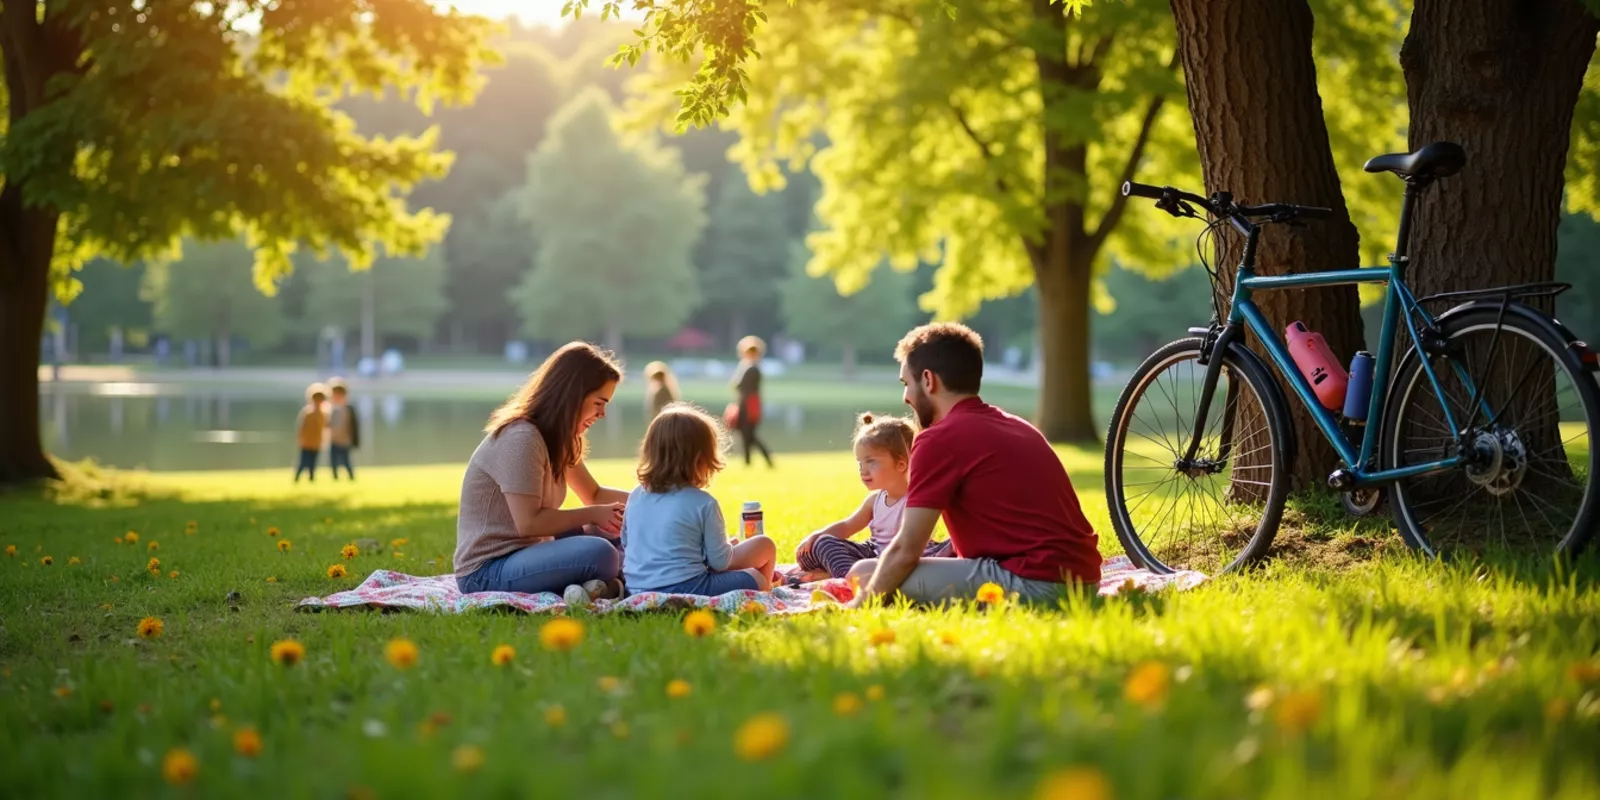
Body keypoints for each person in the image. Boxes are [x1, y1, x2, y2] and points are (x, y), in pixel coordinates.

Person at [843, 322, 1102, 608]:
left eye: (906, 383)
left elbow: (906, 550)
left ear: (928, 380)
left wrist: (858, 607)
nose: (905, 397)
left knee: (864, 575)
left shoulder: (938, 439)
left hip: (1036, 584)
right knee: (878, 572)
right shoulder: (1018, 426)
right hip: (1085, 580)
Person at [452, 342, 631, 606]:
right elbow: (530, 523)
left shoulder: (560, 439)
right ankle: (608, 584)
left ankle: (599, 586)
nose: (602, 414)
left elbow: (593, 494)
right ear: (572, 395)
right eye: (598, 403)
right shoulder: (521, 438)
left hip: (532, 552)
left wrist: (653, 501)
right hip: (488, 570)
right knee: (601, 553)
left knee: (618, 532)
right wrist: (594, 514)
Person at [621, 403, 777, 596]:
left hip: (636, 589)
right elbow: (720, 562)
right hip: (688, 587)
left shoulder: (636, 495)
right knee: (763, 552)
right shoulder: (704, 503)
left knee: (732, 549)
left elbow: (627, 543)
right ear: (700, 460)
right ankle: (765, 592)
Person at [792, 412, 954, 581]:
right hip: (873, 554)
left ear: (901, 464)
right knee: (822, 544)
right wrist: (816, 536)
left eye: (871, 462)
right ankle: (850, 577)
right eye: (860, 463)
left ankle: (851, 578)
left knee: (951, 546)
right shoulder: (874, 501)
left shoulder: (918, 498)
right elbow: (847, 526)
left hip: (914, 554)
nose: (863, 470)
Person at [728, 335, 774, 468]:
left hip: (749, 405)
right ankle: (748, 461)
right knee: (746, 434)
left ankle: (765, 458)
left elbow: (742, 387)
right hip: (746, 404)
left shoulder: (752, 369)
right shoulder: (748, 367)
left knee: (749, 434)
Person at [293, 383, 328, 483]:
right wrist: (301, 439)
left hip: (316, 443)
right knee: (303, 462)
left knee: (313, 462)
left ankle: (311, 479)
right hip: (306, 443)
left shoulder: (323, 414)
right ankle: (297, 478)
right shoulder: (307, 413)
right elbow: (301, 428)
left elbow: (324, 428)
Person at [326, 377, 357, 481]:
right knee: (333, 461)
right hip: (334, 440)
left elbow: (353, 427)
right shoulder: (330, 409)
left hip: (345, 440)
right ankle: (335, 478)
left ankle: (351, 477)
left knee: (346, 460)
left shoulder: (348, 409)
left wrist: (354, 441)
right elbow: (328, 424)